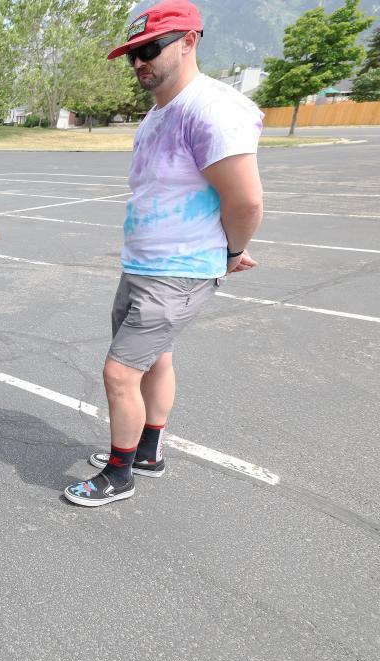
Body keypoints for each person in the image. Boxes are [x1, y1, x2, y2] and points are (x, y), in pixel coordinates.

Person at [63, 0, 264, 507]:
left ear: (189, 41)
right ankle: (146, 452)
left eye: (149, 49)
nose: (138, 63)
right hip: (145, 265)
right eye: (132, 53)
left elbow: (245, 200)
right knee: (155, 360)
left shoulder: (211, 108)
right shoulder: (158, 114)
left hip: (179, 271)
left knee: (119, 373)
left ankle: (118, 472)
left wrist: (230, 252)